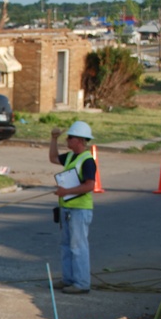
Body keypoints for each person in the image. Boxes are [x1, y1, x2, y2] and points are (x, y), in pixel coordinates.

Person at [49, 121, 97, 294]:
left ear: (79, 140)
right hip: (67, 208)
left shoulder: (88, 161)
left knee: (78, 246)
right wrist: (53, 139)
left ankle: (82, 283)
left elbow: (90, 185)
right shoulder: (70, 157)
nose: (67, 140)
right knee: (66, 245)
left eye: (70, 137)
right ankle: (69, 279)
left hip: (79, 209)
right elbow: (53, 158)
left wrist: (66, 191)